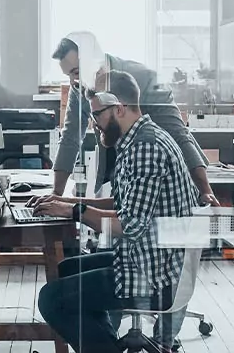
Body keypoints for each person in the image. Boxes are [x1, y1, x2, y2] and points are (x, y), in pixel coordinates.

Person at [34, 70, 198, 352]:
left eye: (96, 115)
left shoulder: (146, 147)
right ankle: (106, 345)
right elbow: (124, 204)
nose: (93, 123)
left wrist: (75, 212)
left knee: (51, 298)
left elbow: (128, 224)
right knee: (64, 270)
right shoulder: (138, 139)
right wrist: (67, 204)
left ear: (119, 109)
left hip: (156, 273)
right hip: (153, 258)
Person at [44, 33, 216, 206]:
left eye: (76, 72)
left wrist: (205, 190)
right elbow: (70, 138)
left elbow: (178, 135)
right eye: (68, 75)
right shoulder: (79, 86)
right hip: (120, 168)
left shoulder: (145, 79)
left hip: (158, 168)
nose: (73, 81)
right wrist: (56, 195)